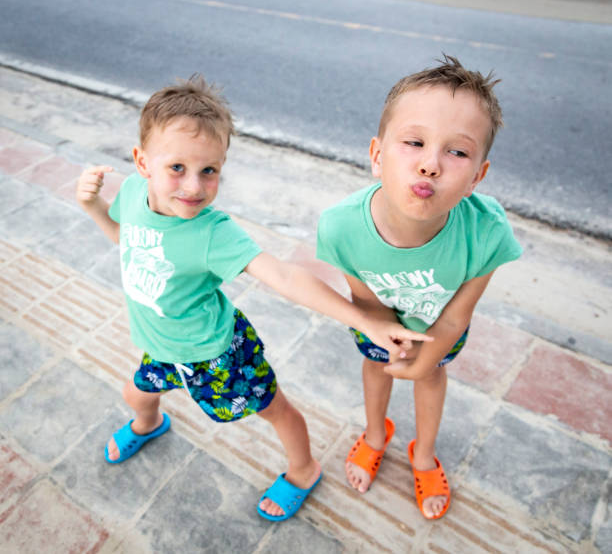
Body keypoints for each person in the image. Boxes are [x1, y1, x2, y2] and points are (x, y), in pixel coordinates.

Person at [75, 75, 429, 523]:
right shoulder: (130, 192)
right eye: (177, 168)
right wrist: (92, 207)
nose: (194, 186)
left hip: (217, 355)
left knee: (275, 410)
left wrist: (365, 320)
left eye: (210, 170)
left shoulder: (212, 232)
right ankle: (149, 423)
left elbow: (282, 274)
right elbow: (127, 242)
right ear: (142, 162)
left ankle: (304, 470)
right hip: (161, 348)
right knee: (136, 393)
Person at [316, 55, 522, 520]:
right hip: (378, 325)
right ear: (376, 155)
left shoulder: (487, 233)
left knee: (429, 377)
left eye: (457, 152)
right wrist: (388, 344)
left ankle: (424, 454)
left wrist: (423, 359)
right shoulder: (340, 227)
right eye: (414, 142)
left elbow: (455, 315)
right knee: (376, 368)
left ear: (477, 177)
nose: (430, 164)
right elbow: (364, 300)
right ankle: (374, 434)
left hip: (439, 330)